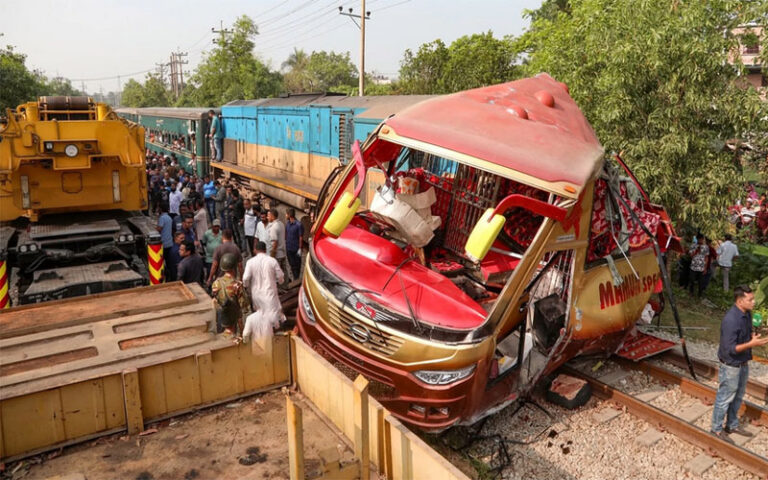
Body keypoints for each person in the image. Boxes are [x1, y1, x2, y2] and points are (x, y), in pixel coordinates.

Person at [710, 285, 768, 440]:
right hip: (731, 365)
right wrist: (752, 344)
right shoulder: (731, 320)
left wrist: (753, 336)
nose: (754, 302)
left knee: (738, 395)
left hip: (743, 362)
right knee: (725, 398)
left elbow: (747, 333)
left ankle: (732, 424)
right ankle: (715, 429)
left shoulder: (747, 314)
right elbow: (730, 349)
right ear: (740, 301)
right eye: (750, 299)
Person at [242, 241, 285, 342]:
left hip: (256, 295)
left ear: (255, 250)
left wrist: (246, 286)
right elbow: (280, 276)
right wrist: (280, 282)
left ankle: (259, 338)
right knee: (272, 320)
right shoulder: (272, 261)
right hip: (270, 294)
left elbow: (246, 278)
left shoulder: (250, 262)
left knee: (259, 317)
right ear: (265, 250)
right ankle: (272, 339)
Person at [211, 253, 249, 337]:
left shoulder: (216, 283)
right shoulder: (237, 285)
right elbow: (244, 306)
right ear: (234, 267)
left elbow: (215, 300)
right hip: (234, 319)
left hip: (221, 318)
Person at [267, 208, 291, 284]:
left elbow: (275, 242)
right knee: (284, 270)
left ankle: (281, 289)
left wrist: (272, 255)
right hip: (283, 253)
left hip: (277, 255)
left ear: (272, 217)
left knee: (278, 273)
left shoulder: (274, 227)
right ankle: (286, 285)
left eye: (268, 216)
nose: (267, 217)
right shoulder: (281, 224)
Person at [285, 208, 304, 280]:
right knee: (291, 264)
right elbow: (286, 235)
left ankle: (297, 279)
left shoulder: (298, 225)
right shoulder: (287, 224)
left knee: (297, 265)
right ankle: (295, 278)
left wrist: (300, 248)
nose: (285, 215)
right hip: (289, 248)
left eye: (286, 214)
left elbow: (300, 237)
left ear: (289, 215)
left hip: (296, 249)